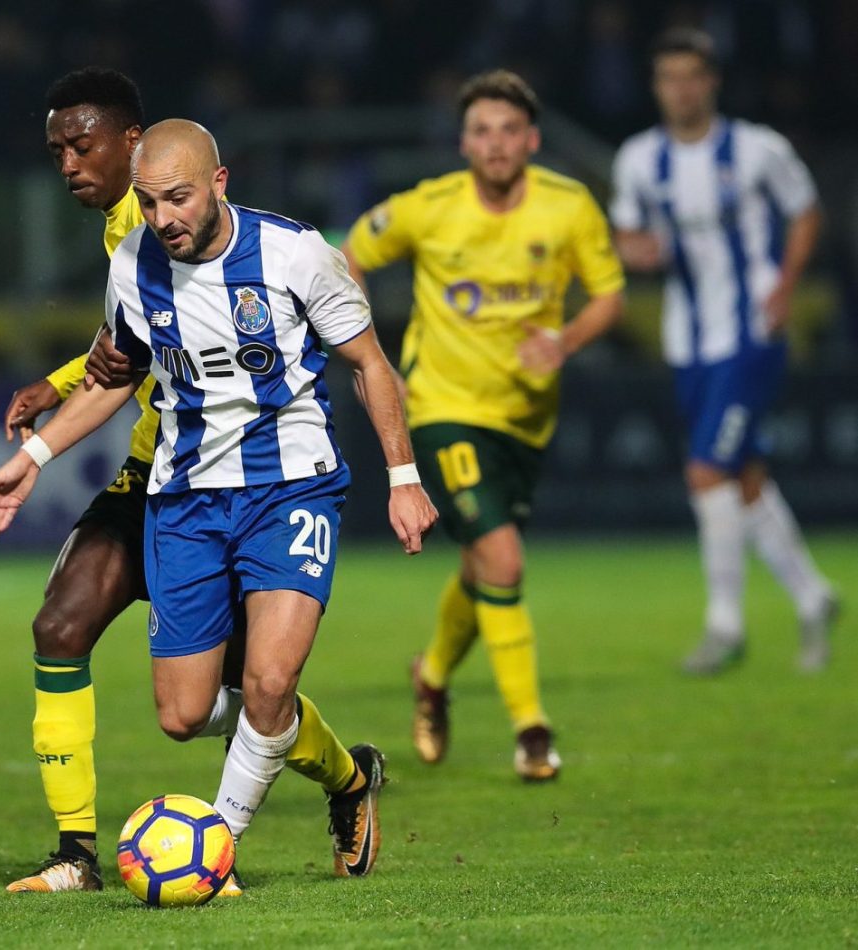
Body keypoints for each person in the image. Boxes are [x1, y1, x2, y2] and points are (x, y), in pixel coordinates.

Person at [0, 119, 437, 879]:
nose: (163, 219)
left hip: (291, 489)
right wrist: (34, 457)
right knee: (184, 715)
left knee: (268, 682)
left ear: (219, 184)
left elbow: (369, 364)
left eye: (179, 199)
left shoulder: (294, 253)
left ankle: (214, 851)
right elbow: (117, 377)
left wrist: (404, 478)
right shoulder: (133, 264)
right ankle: (349, 776)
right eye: (149, 202)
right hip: (185, 499)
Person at [342, 70, 625, 781]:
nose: (495, 143)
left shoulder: (568, 206)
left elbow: (609, 294)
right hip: (444, 409)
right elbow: (350, 253)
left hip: (526, 419)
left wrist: (564, 341)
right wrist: (369, 351)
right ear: (463, 143)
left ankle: (432, 676)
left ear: (531, 140)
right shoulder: (429, 207)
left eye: (508, 130)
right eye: (481, 131)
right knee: (503, 560)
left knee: (481, 566)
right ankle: (531, 730)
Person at [611, 29, 838, 675]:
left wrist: (785, 286)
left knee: (706, 471)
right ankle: (812, 596)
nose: (681, 90)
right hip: (687, 339)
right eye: (669, 78)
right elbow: (624, 232)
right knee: (742, 478)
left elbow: (805, 211)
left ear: (711, 82)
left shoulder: (758, 148)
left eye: (692, 76)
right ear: (656, 87)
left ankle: (724, 624)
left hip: (752, 332)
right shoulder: (639, 158)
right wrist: (635, 250)